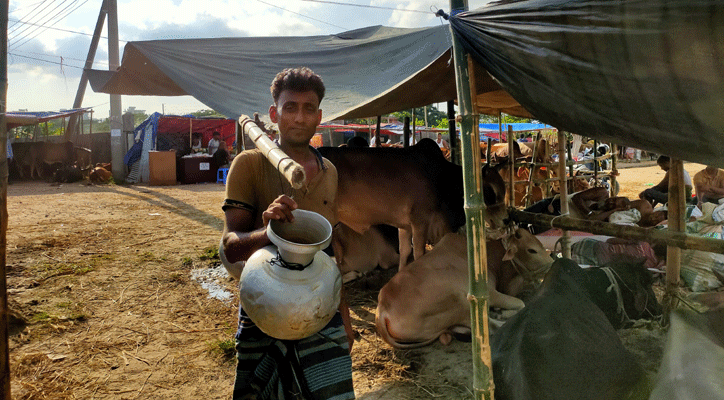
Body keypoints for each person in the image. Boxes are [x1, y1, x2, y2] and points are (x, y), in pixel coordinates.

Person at [220, 67, 355, 400]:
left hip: (321, 305)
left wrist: (344, 314)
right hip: (265, 303)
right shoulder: (248, 165)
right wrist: (269, 233)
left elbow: (331, 253)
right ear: (273, 114)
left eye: (309, 109)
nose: (299, 117)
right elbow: (228, 251)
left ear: (319, 116)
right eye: (290, 107)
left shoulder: (329, 172)